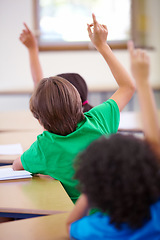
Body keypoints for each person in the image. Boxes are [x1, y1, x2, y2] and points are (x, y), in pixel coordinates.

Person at [13, 14, 135, 204]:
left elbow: (16, 166)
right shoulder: (99, 120)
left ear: (39, 119)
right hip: (115, 210)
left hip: (73, 217)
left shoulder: (43, 147)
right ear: (79, 102)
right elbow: (128, 87)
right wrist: (102, 45)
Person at [67, 42, 160, 239]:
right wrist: (142, 82)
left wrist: (91, 189)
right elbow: (156, 148)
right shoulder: (156, 217)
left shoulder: (92, 230)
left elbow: (70, 224)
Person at [19, 23, 92, 112]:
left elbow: (38, 85)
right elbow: (39, 86)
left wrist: (32, 49)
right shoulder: (94, 120)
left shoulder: (53, 123)